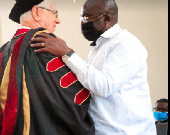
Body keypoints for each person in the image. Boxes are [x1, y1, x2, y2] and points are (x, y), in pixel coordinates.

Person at [30, 0, 157, 134]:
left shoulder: (126, 44)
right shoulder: (97, 49)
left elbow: (104, 86)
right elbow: (86, 84)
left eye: (86, 18)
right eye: (81, 18)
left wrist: (67, 53)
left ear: (106, 18)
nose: (82, 23)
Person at [0, 0, 95, 134]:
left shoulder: (0, 54)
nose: (58, 20)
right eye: (55, 13)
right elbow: (71, 104)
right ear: (36, 12)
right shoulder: (46, 45)